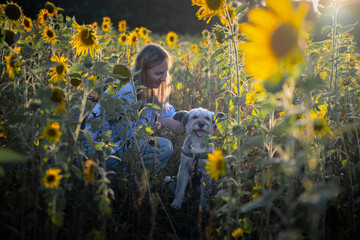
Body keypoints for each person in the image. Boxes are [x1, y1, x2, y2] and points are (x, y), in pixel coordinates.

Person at [82, 44, 185, 178]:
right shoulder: (125, 91)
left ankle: (127, 182)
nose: (164, 78)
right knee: (163, 147)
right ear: (143, 71)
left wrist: (191, 118)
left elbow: (169, 112)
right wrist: (163, 122)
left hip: (118, 148)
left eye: (166, 72)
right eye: (158, 73)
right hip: (99, 153)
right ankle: (125, 183)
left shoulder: (150, 89)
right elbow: (130, 137)